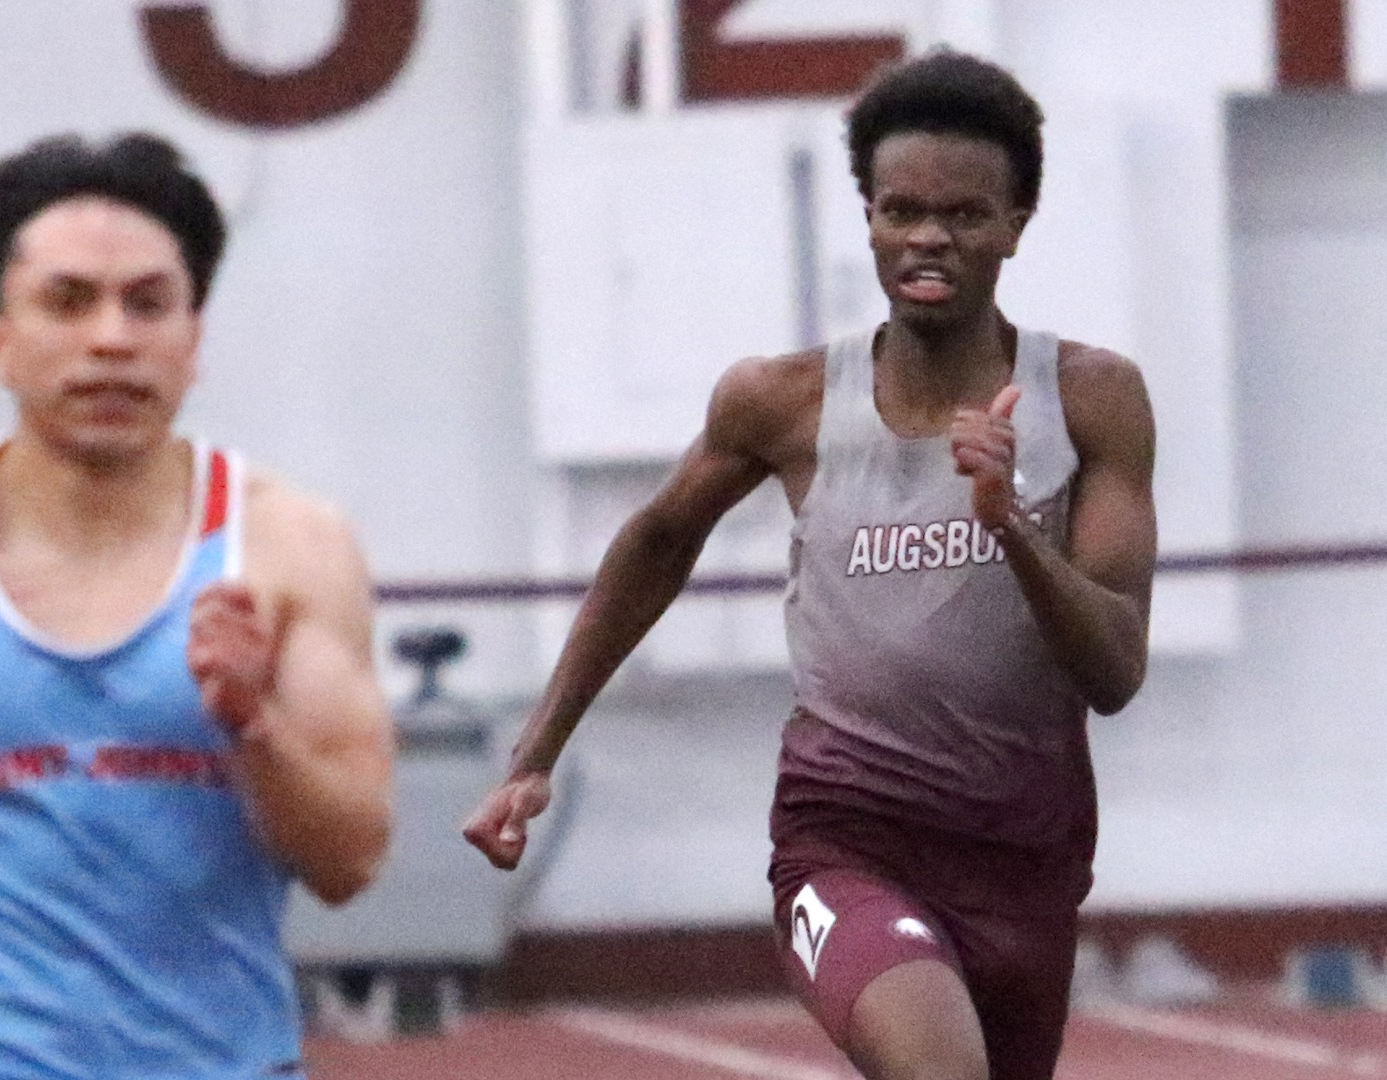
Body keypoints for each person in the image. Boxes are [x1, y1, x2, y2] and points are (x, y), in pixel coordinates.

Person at [466, 49, 1156, 1080]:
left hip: (1025, 857)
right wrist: (534, 755)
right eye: (900, 210)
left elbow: (1114, 672)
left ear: (1017, 223)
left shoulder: (1093, 401)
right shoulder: (781, 402)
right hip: (847, 837)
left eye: (964, 215)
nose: (927, 237)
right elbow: (657, 543)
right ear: (867, 215)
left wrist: (1009, 522)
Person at [0, 133, 395, 1078]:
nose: (112, 339)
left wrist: (256, 727)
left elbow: (350, 861)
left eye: (148, 304)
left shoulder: (290, 547)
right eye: (68, 301)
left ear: (193, 336)